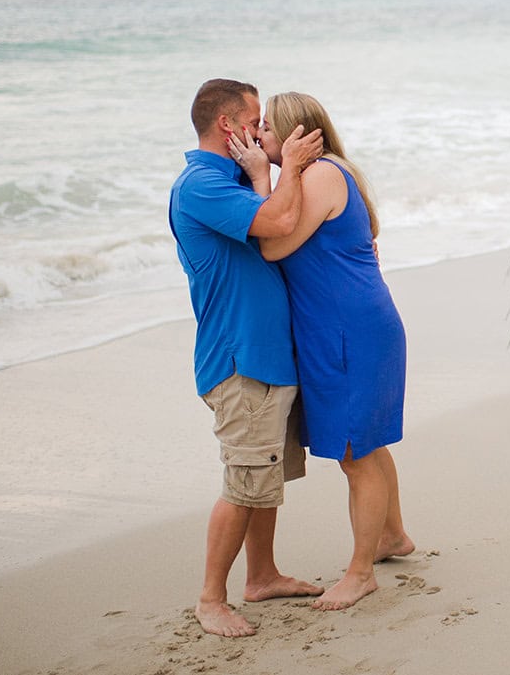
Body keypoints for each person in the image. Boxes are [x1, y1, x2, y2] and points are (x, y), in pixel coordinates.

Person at [228, 90, 414, 612]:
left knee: (356, 455)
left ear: (294, 137)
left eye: (267, 127)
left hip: (349, 332)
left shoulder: (319, 175)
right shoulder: (324, 172)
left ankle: (360, 574)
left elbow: (274, 243)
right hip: (347, 327)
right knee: (368, 446)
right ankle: (392, 537)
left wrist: (267, 175)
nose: (258, 134)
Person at [168, 78, 325, 637]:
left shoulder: (234, 176)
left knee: (267, 476)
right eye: (256, 120)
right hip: (240, 359)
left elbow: (289, 229)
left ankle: (261, 576)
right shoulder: (202, 186)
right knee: (244, 480)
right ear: (229, 126)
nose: (264, 130)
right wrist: (280, 171)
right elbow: (277, 224)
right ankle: (211, 598)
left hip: (270, 355)